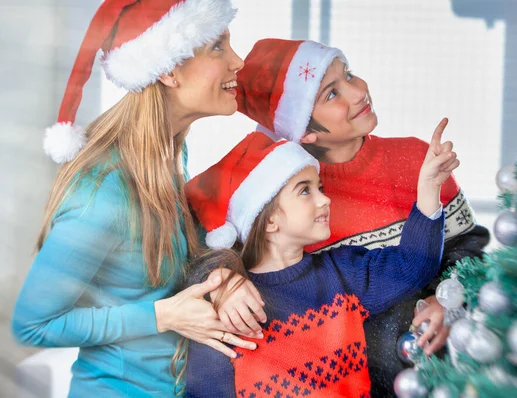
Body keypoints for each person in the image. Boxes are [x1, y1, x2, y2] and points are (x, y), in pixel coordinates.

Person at [11, 1, 266, 396]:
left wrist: (221, 273)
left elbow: (160, 271)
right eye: (218, 46)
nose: (237, 61)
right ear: (168, 70)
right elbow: (33, 324)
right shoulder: (105, 191)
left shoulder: (167, 155)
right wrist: (161, 316)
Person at [234, 38, 491, 396]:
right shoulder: (290, 201)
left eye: (350, 75)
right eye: (331, 94)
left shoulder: (417, 159)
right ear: (304, 129)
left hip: (444, 377)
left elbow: (470, 253)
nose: (357, 93)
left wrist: (449, 303)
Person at [182, 125, 459, 397]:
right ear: (268, 220)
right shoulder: (231, 308)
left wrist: (428, 189)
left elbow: (411, 267)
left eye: (320, 188)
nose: (325, 199)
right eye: (305, 191)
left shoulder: (343, 272)